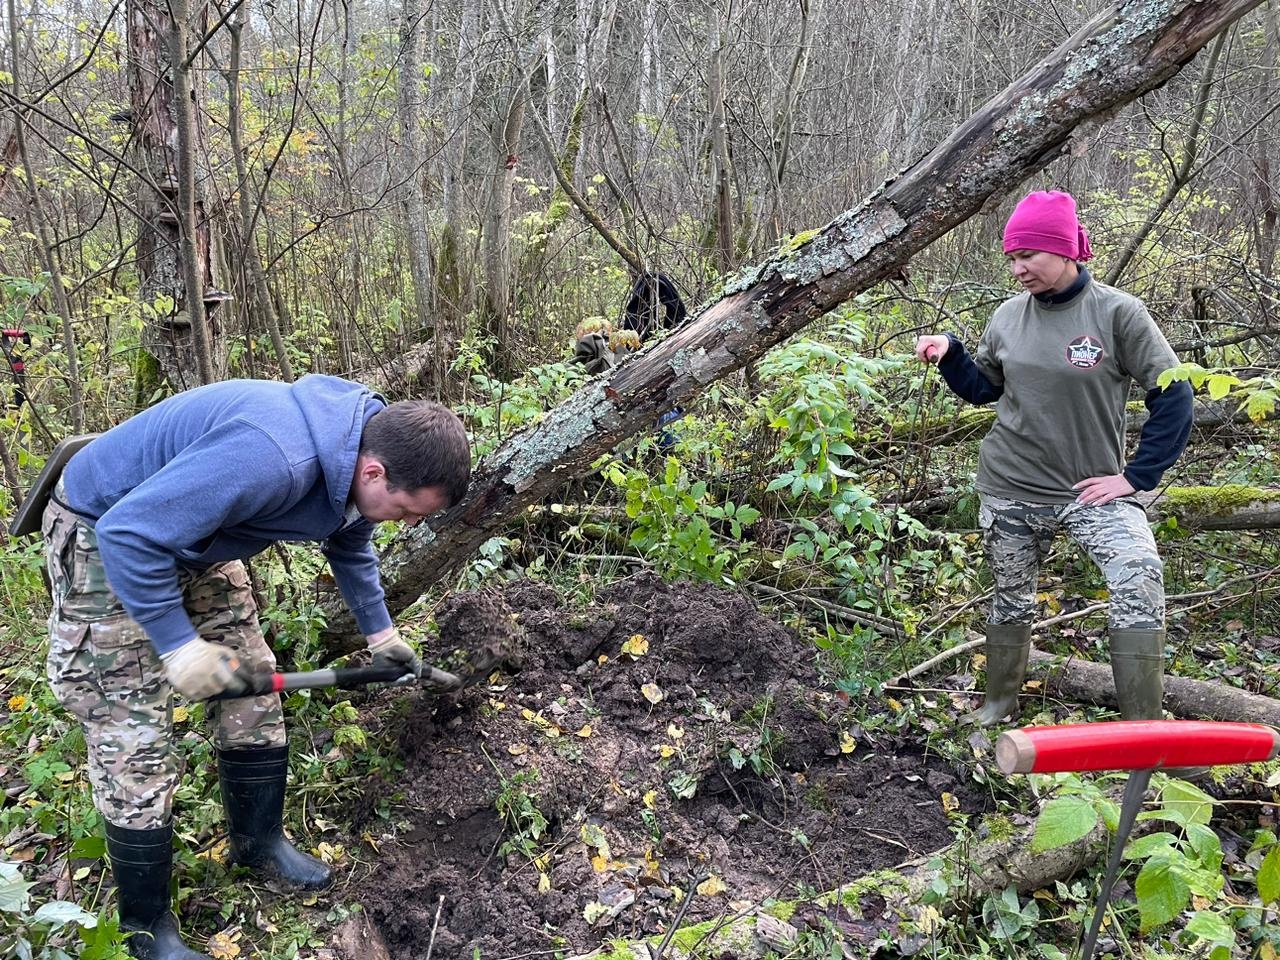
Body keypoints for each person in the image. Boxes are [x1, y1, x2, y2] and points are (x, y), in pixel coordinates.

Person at [41, 375, 470, 960]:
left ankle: (259, 842)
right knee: (132, 730)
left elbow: (350, 539)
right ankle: (147, 928)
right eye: (407, 511)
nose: (408, 523)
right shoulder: (273, 457)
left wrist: (382, 635)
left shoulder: (365, 454)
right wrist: (178, 646)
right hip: (108, 531)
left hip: (200, 539)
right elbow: (129, 532)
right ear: (374, 474)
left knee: (253, 683)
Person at [915, 190, 1193, 727]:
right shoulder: (1007, 317)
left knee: (1138, 574)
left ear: (1067, 251)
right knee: (1012, 599)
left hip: (1089, 490)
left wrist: (1137, 477)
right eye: (1011, 259)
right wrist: (951, 355)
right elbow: (985, 390)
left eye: (1029, 257)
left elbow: (1174, 393)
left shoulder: (1117, 313)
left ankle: (1143, 730)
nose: (1018, 269)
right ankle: (998, 708)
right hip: (1010, 485)